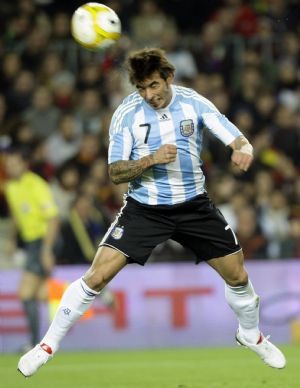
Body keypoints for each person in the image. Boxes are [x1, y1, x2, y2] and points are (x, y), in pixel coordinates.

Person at [18, 48, 286, 377]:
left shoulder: (193, 103)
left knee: (238, 276)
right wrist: (150, 159)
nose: (149, 95)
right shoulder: (126, 114)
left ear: (168, 78)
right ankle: (46, 346)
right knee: (97, 275)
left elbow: (234, 136)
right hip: (145, 208)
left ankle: (251, 334)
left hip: (193, 206)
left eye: (154, 85)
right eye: (142, 88)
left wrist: (244, 149)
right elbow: (115, 172)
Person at [3, 147, 59, 351]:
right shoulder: (10, 187)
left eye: (14, 163)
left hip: (44, 239)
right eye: (7, 164)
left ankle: (35, 344)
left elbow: (53, 219)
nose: (10, 167)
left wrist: (46, 249)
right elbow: (16, 216)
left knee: (26, 293)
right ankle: (95, 293)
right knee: (41, 295)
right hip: (31, 243)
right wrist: (11, 239)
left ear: (24, 164)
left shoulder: (36, 184)